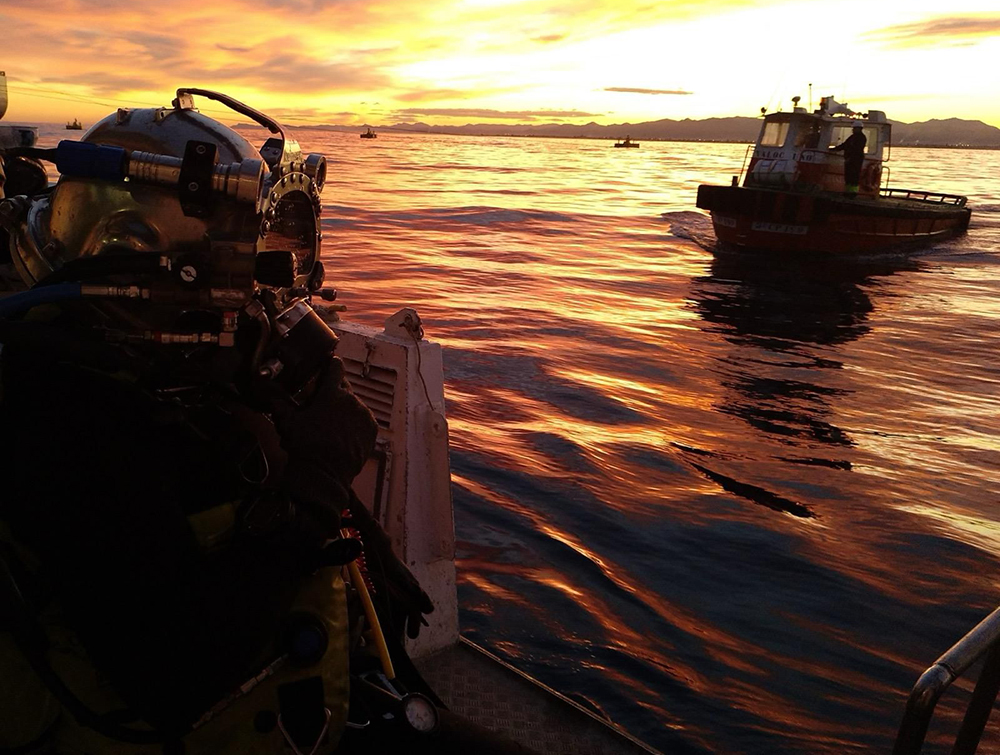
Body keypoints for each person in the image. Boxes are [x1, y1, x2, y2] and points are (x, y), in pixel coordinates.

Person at [0, 91, 440, 754]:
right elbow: (172, 672)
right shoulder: (55, 412)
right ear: (141, 252)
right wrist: (320, 474)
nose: (261, 292)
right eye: (238, 261)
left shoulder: (153, 366)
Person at [830, 121, 867, 196]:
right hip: (849, 159)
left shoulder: (861, 138)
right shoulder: (852, 137)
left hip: (856, 159)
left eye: (854, 128)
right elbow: (844, 145)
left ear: (859, 128)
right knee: (848, 176)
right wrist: (834, 149)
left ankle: (853, 193)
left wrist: (850, 158)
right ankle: (847, 192)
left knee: (854, 176)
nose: (853, 129)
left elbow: (857, 149)